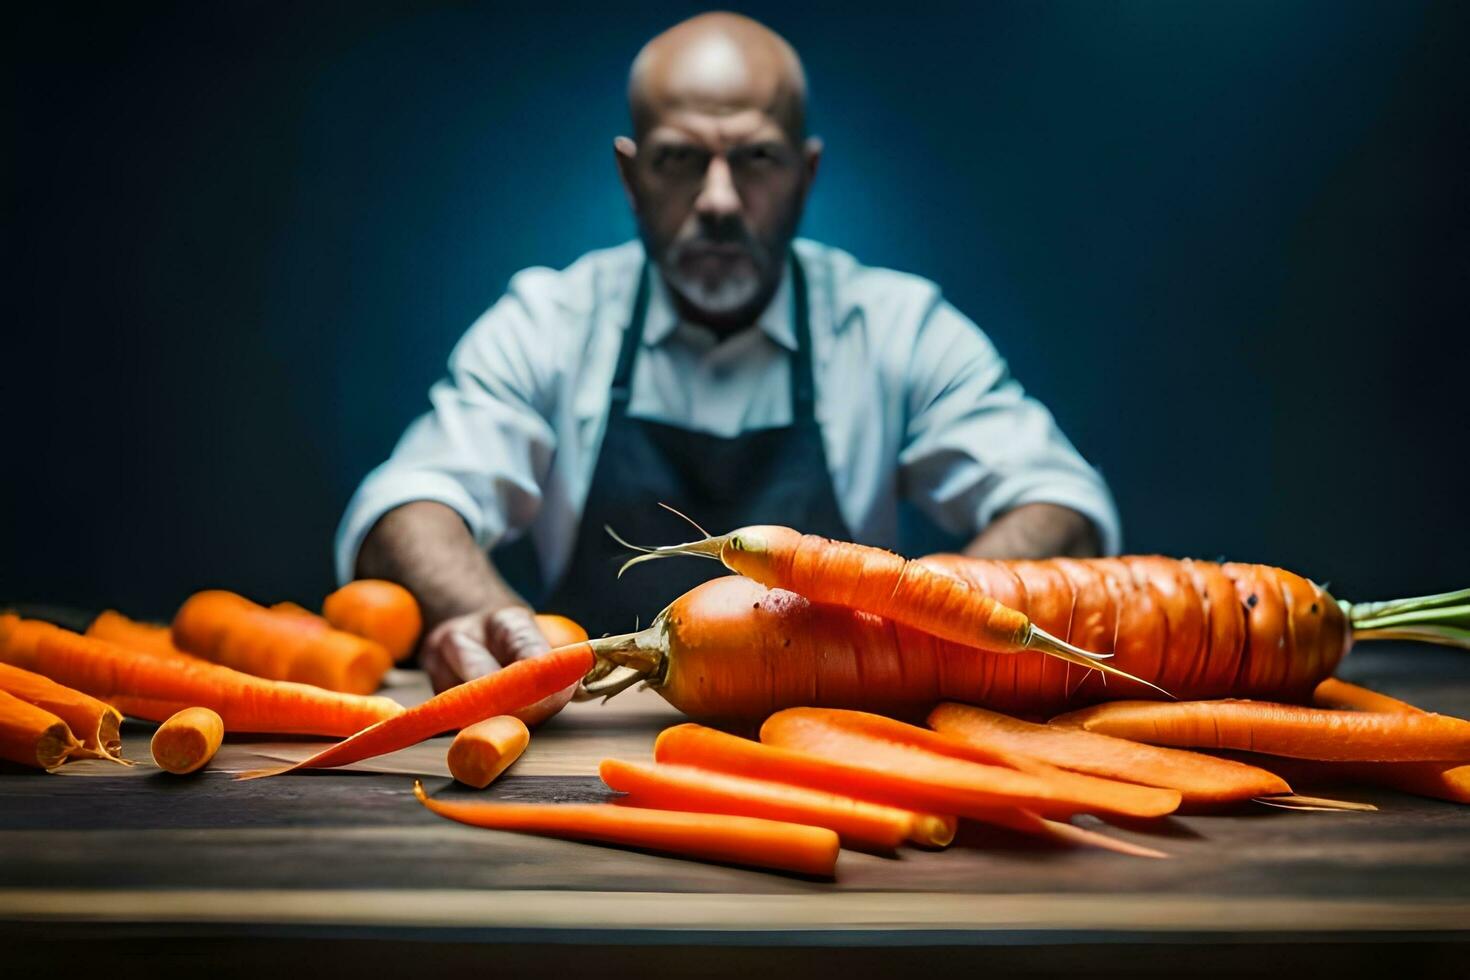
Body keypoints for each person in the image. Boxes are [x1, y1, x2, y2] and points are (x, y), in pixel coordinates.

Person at [336, 12, 1120, 693]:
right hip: (590, 754)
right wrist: (490, 622)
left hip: (838, 738)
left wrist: (915, 631)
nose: (717, 200)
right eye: (680, 159)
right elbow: (407, 505)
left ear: (805, 176)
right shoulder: (548, 322)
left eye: (755, 159)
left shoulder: (896, 327)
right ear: (632, 174)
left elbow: (1059, 504)